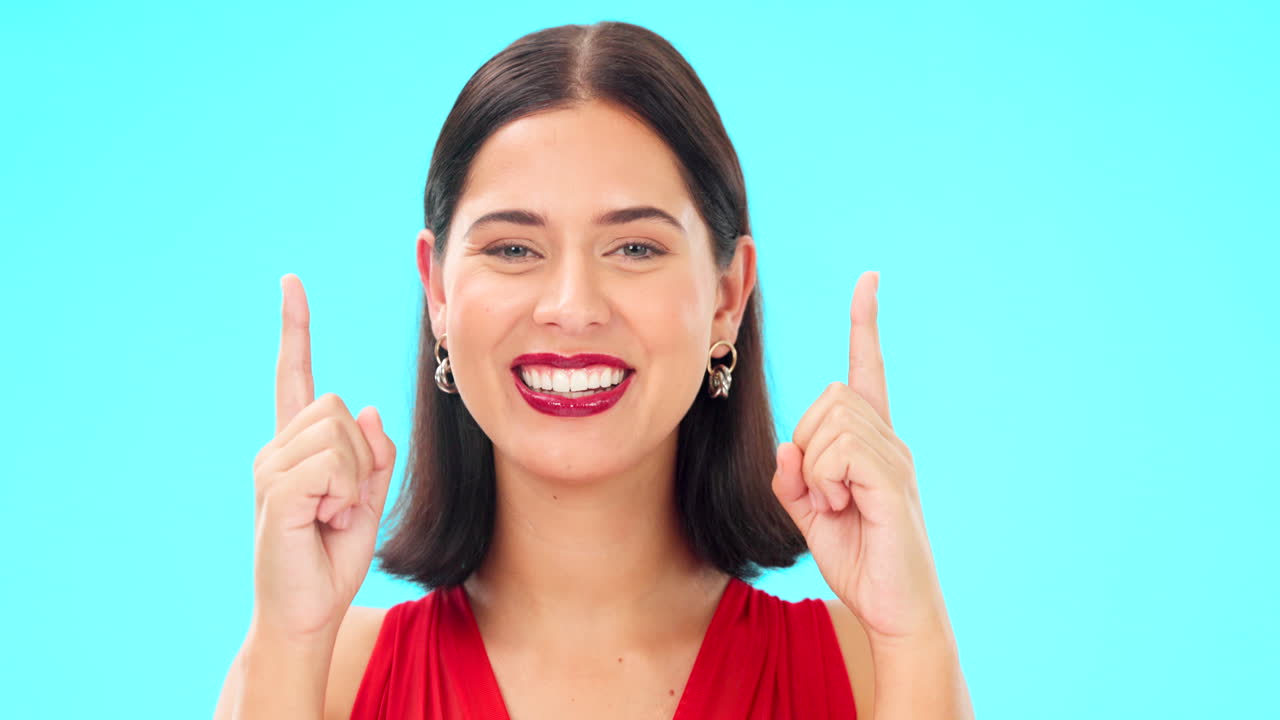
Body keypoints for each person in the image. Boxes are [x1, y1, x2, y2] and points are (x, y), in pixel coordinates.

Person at [215, 20, 973, 720]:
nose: (572, 309)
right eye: (513, 249)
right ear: (439, 291)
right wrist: (289, 642)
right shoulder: (322, 674)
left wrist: (915, 636)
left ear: (727, 296)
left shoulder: (871, 671)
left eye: (635, 248)